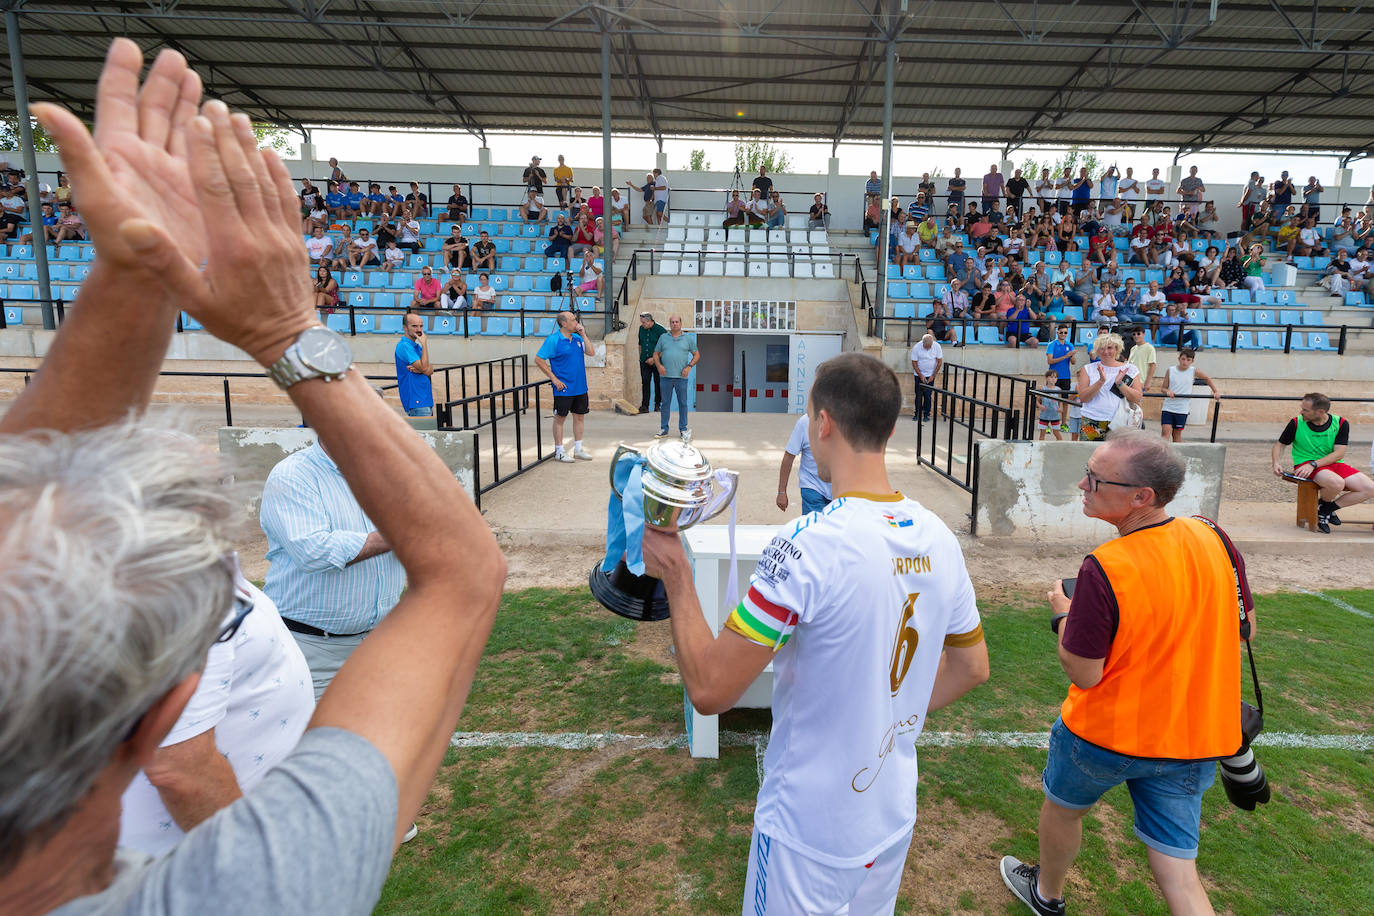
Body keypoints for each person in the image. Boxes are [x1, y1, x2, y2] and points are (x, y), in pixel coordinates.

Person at [0, 41, 505, 914]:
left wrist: (140, 272)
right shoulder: (259, 887)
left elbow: (20, 523)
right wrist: (285, 330)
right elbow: (464, 572)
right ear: (160, 714)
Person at [640, 353, 988, 916]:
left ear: (821, 424)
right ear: (891, 429)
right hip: (890, 815)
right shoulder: (938, 536)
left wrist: (678, 576)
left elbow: (710, 689)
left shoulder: (805, 543)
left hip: (809, 830)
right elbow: (972, 667)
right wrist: (885, 716)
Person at [1000, 430, 1254, 916]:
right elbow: (1245, 629)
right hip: (1190, 737)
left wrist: (1063, 617)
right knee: (1181, 877)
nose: (1082, 484)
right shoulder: (1215, 536)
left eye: (1095, 479)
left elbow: (1084, 673)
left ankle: (1046, 895)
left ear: (1142, 496)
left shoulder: (1105, 566)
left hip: (1103, 734)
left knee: (1063, 810)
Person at [118, 573, 314, 856]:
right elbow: (180, 768)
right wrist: (256, 861)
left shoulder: (194, 564)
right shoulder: (172, 586)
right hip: (212, 861)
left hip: (259, 825)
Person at [1271, 392, 1374, 533]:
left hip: (1329, 463)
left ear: (1320, 411)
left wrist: (1315, 464)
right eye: (1302, 408)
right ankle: (1325, 509)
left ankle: (1325, 509)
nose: (1301, 412)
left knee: (1370, 488)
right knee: (1337, 483)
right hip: (1305, 463)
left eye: (1305, 410)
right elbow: (1280, 445)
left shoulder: (1341, 423)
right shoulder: (1296, 422)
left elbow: (1339, 453)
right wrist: (1276, 462)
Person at [535, 311, 595, 462]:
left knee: (579, 417)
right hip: (564, 388)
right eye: (573, 320)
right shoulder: (553, 340)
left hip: (580, 386)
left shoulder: (577, 338)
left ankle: (578, 448)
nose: (576, 322)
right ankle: (559, 451)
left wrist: (584, 334)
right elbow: (539, 359)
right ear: (563, 323)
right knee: (560, 418)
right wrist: (554, 379)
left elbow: (591, 352)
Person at [1075, 333, 1142, 441]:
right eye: (1101, 348)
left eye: (1109, 348)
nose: (1105, 352)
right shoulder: (1087, 369)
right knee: (1091, 455)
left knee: (1119, 457)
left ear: (1117, 349)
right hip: (1092, 420)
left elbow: (1137, 398)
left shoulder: (1130, 369)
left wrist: (1120, 384)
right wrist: (1100, 382)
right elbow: (1083, 398)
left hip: (1121, 421)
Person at [652, 314, 699, 438]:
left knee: (683, 403)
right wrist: (659, 366)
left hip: (681, 378)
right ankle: (664, 429)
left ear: (681, 323)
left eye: (677, 322)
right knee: (665, 403)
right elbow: (655, 354)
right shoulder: (663, 338)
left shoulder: (687, 339)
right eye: (672, 322)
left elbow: (697, 355)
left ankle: (683, 429)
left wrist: (689, 366)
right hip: (665, 377)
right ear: (670, 324)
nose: (674, 324)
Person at [776, 412, 832, 515]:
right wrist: (782, 492)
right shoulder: (805, 422)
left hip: (840, 489)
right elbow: (789, 457)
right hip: (812, 485)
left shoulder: (847, 421)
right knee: (814, 528)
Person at [1158, 348, 1219, 442]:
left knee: (1176, 435)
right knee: (1165, 434)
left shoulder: (1193, 371)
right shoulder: (1170, 370)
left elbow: (1207, 378)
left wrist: (1215, 391)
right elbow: (1163, 388)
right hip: (1168, 407)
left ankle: (1176, 455)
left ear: (1192, 361)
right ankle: (1163, 455)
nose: (1185, 362)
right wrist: (1167, 392)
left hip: (1182, 408)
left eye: (1188, 360)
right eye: (1183, 359)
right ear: (1179, 359)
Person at [637, 310, 666, 414]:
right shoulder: (641, 329)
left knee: (658, 382)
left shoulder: (660, 330)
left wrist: (654, 359)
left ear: (650, 321)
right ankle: (645, 406)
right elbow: (640, 343)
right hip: (644, 361)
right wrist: (641, 357)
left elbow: (665, 348)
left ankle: (657, 405)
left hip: (658, 362)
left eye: (644, 322)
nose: (642, 324)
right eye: (642, 322)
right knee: (645, 382)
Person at [910, 332, 942, 421]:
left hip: (930, 375)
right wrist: (921, 375)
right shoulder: (916, 347)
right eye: (926, 346)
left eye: (930, 346)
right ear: (922, 343)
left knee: (928, 395)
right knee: (918, 395)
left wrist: (933, 375)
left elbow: (939, 362)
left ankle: (926, 414)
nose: (929, 348)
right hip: (919, 375)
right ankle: (917, 413)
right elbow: (914, 363)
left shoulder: (937, 346)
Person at [1125, 325, 1156, 392]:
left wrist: (1147, 382)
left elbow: (1152, 366)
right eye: (1134, 334)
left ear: (1144, 334)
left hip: (1140, 383)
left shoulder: (1149, 348)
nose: (1136, 336)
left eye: (1138, 334)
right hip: (1130, 382)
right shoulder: (1133, 348)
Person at [1037, 369, 1064, 441]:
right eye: (1051, 377)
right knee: (1042, 433)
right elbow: (1037, 400)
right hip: (1044, 414)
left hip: (1055, 414)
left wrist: (1061, 408)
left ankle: (1061, 447)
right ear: (1046, 378)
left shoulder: (1058, 389)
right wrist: (1040, 406)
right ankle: (1041, 447)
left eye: (1055, 377)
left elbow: (1060, 400)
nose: (1053, 379)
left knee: (1056, 432)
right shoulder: (1043, 388)